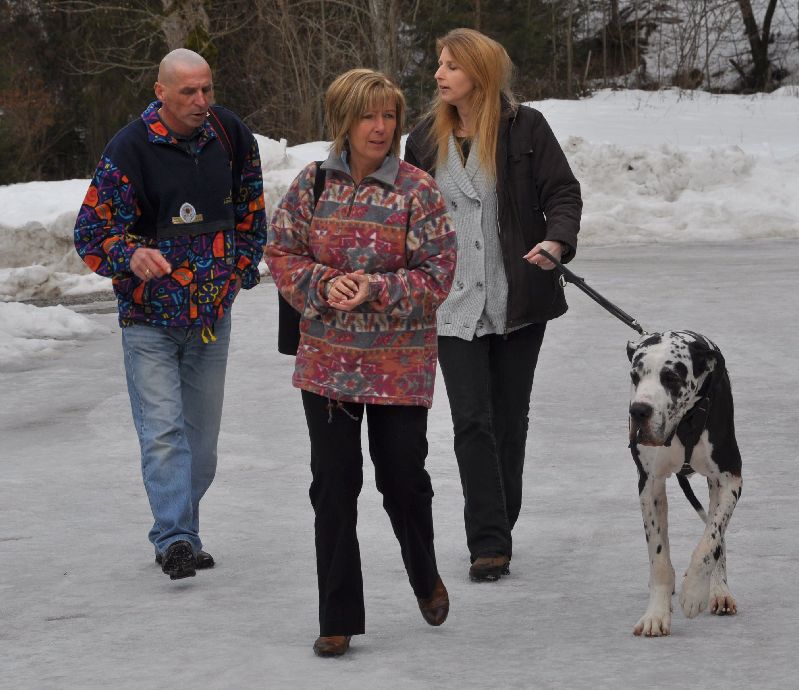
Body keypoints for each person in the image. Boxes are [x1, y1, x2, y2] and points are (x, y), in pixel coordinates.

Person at [266, 68, 456, 657]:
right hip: (327, 365)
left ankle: (424, 573)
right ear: (343, 121)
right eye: (368, 116)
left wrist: (375, 289)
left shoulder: (418, 190)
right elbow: (282, 252)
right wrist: (326, 284)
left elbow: (438, 275)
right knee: (333, 486)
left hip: (399, 365)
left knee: (402, 481)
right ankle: (337, 617)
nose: (380, 127)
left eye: (389, 115)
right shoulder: (313, 184)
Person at [73, 48, 267, 580]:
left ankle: (184, 531)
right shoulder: (130, 148)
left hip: (211, 321)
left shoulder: (231, 136)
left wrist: (238, 273)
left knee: (201, 448)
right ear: (161, 92)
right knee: (163, 435)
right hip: (149, 323)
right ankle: (175, 538)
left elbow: (251, 215)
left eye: (207, 89)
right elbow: (90, 233)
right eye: (188, 92)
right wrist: (130, 255)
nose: (201, 100)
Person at [404, 28, 582, 583]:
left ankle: (501, 521)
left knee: (508, 420)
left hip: (517, 298)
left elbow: (562, 193)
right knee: (471, 421)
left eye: (451, 66)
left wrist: (556, 242)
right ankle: (488, 543)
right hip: (450, 302)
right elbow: (407, 214)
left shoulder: (525, 128)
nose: (439, 75)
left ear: (479, 74)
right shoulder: (423, 139)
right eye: (439, 64)